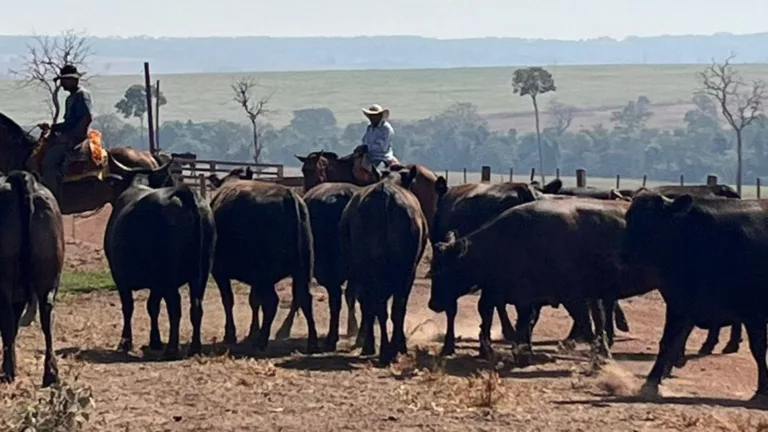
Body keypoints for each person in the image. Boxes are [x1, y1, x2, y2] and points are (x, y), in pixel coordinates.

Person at [37, 64, 93, 202]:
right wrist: (53, 127)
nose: (62, 83)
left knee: (48, 163)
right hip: (70, 133)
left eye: (64, 80)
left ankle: (53, 199)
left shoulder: (82, 95)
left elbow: (86, 118)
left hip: (76, 137)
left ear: (73, 80)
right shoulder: (71, 98)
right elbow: (69, 122)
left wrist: (72, 137)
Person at [359, 104, 399, 177]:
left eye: (374, 116)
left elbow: (382, 147)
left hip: (381, 157)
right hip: (368, 156)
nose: (371, 118)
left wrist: (367, 148)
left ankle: (381, 187)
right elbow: (364, 140)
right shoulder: (370, 127)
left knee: (377, 173)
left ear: (380, 116)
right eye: (370, 116)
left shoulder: (386, 129)